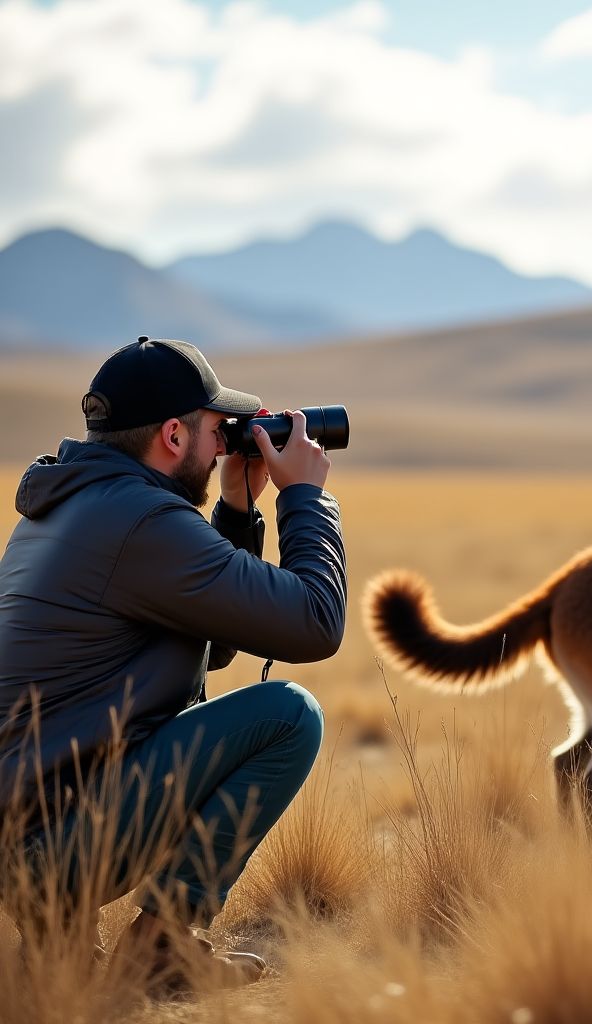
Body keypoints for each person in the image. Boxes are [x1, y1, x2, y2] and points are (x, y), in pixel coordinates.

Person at [0, 336, 346, 990]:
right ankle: (160, 948)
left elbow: (207, 646)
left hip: (24, 839)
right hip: (53, 847)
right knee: (287, 717)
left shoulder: (72, 507)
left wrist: (239, 508)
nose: (225, 448)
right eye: (218, 431)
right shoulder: (142, 522)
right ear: (172, 436)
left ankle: (59, 947)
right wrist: (304, 497)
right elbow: (315, 623)